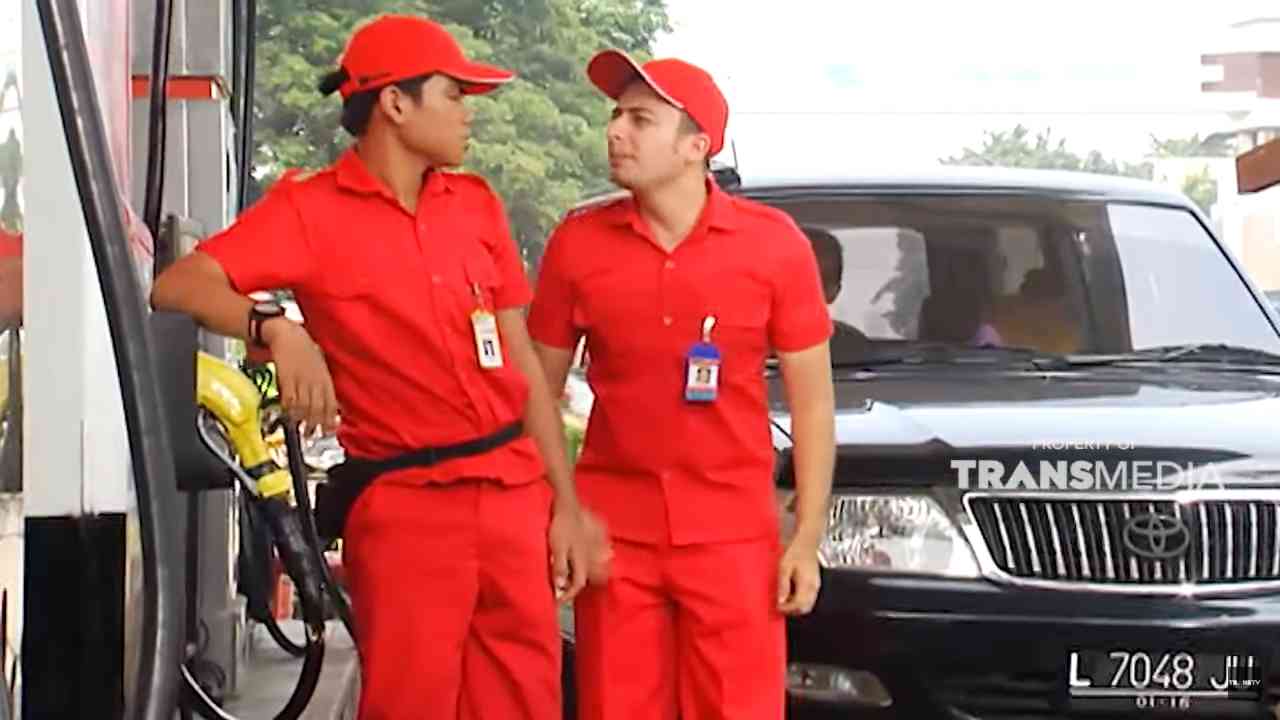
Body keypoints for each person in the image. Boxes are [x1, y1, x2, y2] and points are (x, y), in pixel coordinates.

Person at [150, 14, 595, 719]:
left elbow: (521, 368)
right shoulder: (309, 210)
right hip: (406, 507)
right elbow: (178, 285)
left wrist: (564, 506)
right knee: (408, 701)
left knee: (527, 700)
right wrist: (276, 328)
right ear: (395, 103)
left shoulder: (476, 205)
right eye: (454, 94)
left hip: (514, 496)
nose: (468, 112)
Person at [528, 49, 836, 719]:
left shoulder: (775, 246)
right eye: (616, 116)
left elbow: (813, 406)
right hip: (614, 536)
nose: (616, 131)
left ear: (697, 145)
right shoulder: (577, 244)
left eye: (640, 120)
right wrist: (562, 510)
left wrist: (806, 538)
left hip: (734, 537)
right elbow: (535, 393)